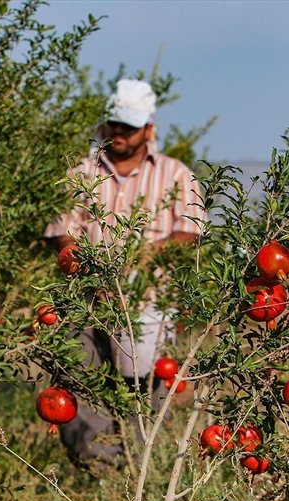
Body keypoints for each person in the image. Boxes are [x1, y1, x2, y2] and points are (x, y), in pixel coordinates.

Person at [43, 78, 205, 465]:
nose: (120, 132)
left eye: (129, 126)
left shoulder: (176, 175)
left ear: (149, 129)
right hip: (85, 301)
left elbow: (193, 231)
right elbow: (61, 233)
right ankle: (99, 467)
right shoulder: (81, 172)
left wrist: (151, 255)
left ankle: (139, 470)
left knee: (142, 391)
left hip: (147, 304)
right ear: (104, 124)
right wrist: (83, 263)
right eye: (115, 123)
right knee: (75, 377)